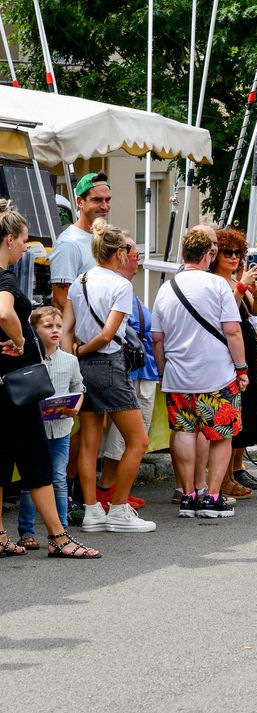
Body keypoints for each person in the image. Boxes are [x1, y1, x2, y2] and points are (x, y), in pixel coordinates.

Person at [0, 199, 100, 559]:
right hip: (16, 386)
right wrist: (20, 339)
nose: (26, 249)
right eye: (24, 241)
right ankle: (58, 536)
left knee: (3, 458)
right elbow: (4, 311)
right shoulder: (4, 275)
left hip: (4, 384)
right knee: (35, 458)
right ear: (9, 239)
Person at [62, 219, 154, 533]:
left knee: (89, 442)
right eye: (128, 251)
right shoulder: (121, 286)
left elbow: (66, 330)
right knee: (138, 440)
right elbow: (107, 336)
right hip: (107, 364)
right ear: (117, 254)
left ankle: (91, 511)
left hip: (84, 368)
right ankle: (118, 507)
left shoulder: (80, 281)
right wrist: (84, 350)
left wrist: (74, 356)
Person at [151, 226, 247, 519]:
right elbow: (232, 331)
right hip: (216, 375)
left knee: (183, 432)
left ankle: (188, 495)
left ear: (184, 254)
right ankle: (213, 497)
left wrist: (163, 369)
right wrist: (241, 368)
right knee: (220, 436)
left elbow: (157, 337)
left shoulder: (166, 288)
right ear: (208, 256)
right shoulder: (218, 286)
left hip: (179, 377)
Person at [15, 307, 83, 550]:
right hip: (35, 430)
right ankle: (26, 531)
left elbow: (79, 386)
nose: (55, 330)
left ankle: (61, 528)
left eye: (58, 326)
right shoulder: (30, 359)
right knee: (32, 480)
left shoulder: (71, 360)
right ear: (34, 330)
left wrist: (76, 405)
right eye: (48, 326)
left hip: (61, 429)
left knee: (58, 479)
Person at [98, 229, 155, 511]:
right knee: (123, 438)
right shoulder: (116, 288)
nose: (138, 260)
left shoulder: (129, 290)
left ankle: (121, 490)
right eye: (135, 254)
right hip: (126, 371)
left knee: (135, 435)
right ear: (122, 256)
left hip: (144, 371)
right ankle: (109, 489)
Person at [211, 228, 257, 500]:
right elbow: (227, 314)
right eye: (228, 253)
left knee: (244, 415)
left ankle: (232, 473)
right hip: (230, 354)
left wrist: (256, 292)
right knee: (233, 416)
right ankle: (225, 478)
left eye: (238, 253)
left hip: (247, 352)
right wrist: (243, 286)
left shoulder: (234, 280)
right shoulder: (218, 282)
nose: (234, 258)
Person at [49, 172, 110, 312]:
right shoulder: (69, 243)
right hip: (85, 332)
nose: (105, 206)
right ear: (80, 202)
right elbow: (60, 301)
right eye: (97, 200)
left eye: (108, 200)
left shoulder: (103, 237)